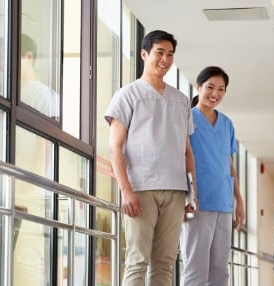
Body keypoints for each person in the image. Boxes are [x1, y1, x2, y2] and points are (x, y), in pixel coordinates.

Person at [104, 30, 195, 286]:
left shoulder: (181, 100)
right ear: (144, 54)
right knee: (137, 260)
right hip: (141, 189)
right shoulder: (127, 95)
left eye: (170, 54)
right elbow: (115, 147)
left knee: (165, 263)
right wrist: (126, 191)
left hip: (176, 190)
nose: (165, 59)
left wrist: (192, 194)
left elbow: (187, 151)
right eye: (159, 53)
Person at [179, 66, 245, 286]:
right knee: (196, 268)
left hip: (223, 203)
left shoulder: (227, 124)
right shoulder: (186, 118)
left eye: (221, 89)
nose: (215, 93)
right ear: (198, 87)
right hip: (197, 202)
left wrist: (239, 200)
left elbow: (229, 163)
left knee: (220, 270)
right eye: (210, 87)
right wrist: (185, 197)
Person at [20, 33, 59, 120]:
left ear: (28, 57)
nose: (1, 64)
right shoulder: (8, 94)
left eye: (6, 56)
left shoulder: (45, 97)